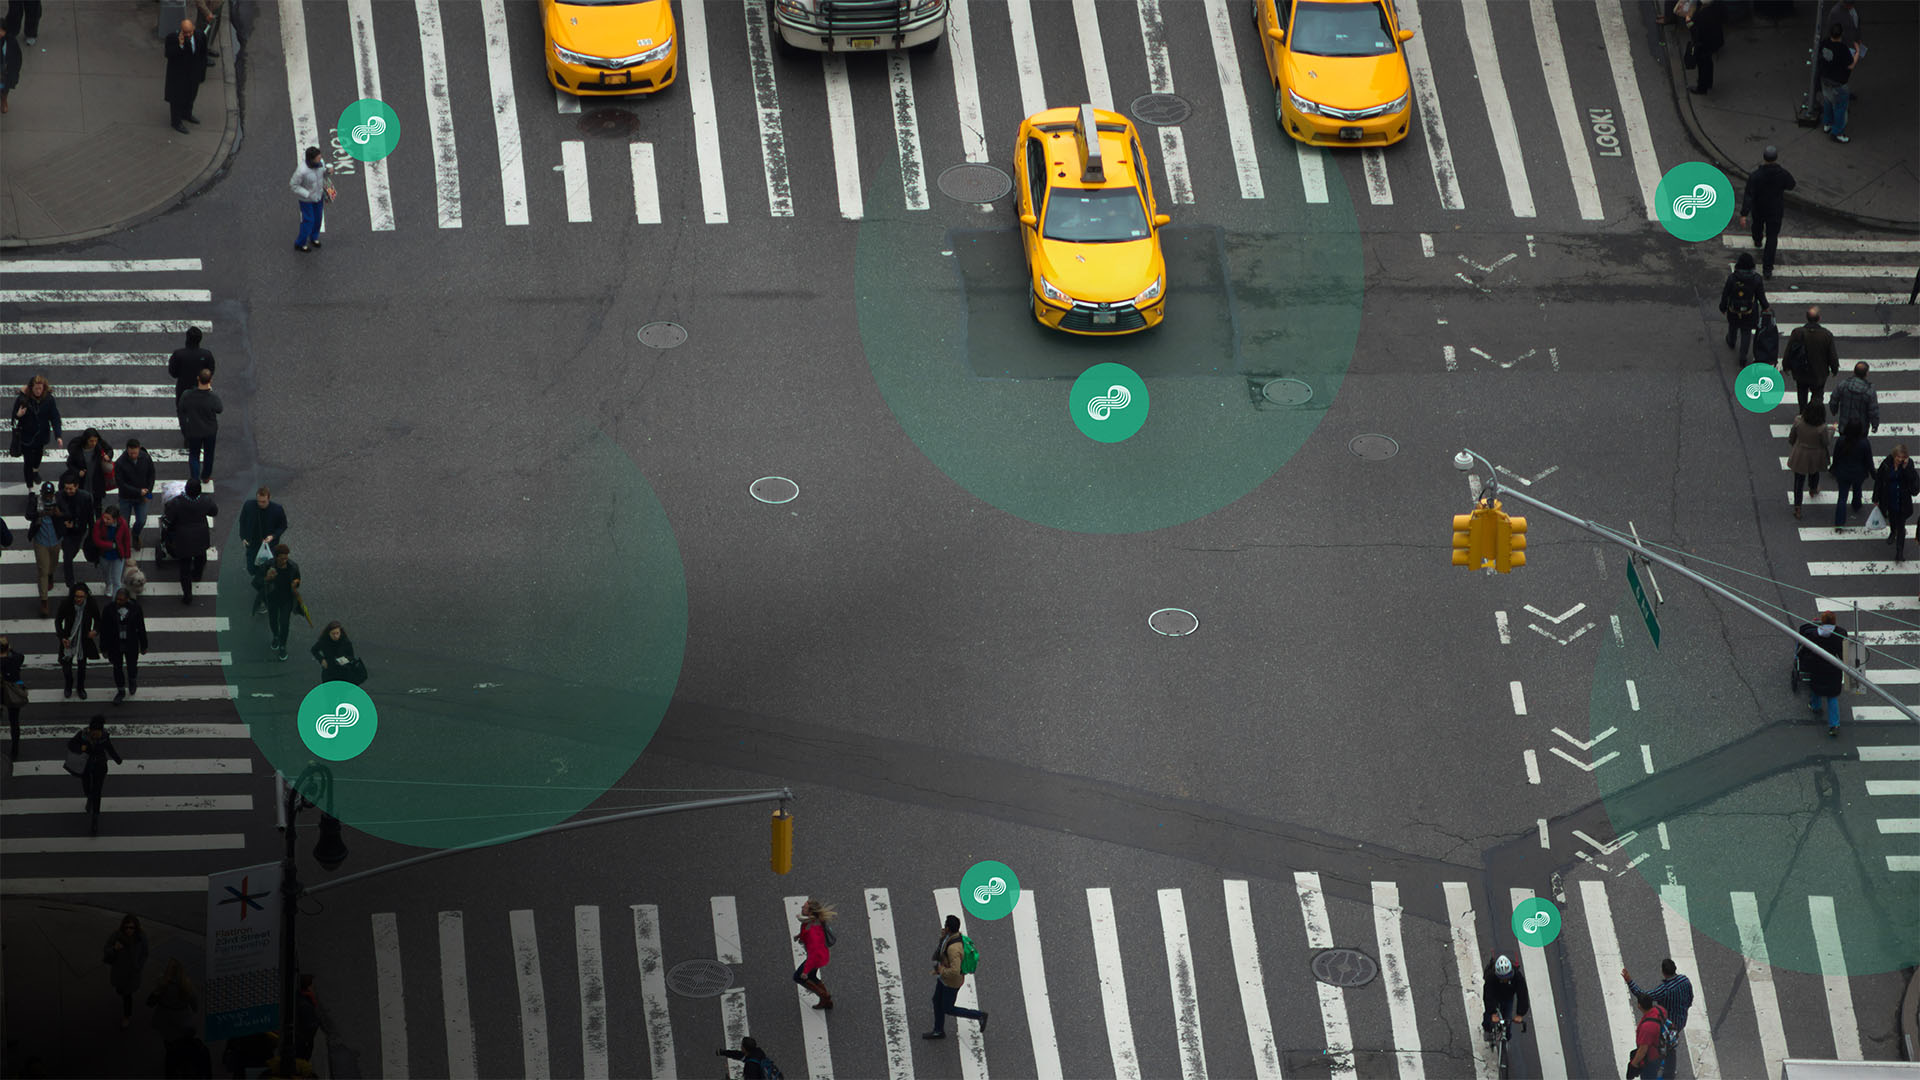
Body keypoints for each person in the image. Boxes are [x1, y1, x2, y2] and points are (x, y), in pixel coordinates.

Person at [1623, 960, 1693, 1080]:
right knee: (1670, 1046)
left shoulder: (1664, 991)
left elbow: (1642, 995)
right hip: (1680, 1021)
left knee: (1662, 1046)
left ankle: (1664, 1069)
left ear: (1663, 972)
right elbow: (1690, 998)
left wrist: (1629, 981)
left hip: (1666, 1024)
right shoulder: (1684, 980)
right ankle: (1670, 1071)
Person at [924, 914, 987, 1039]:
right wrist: (943, 937)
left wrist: (941, 970)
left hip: (951, 982)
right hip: (944, 979)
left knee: (948, 1008)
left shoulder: (954, 949)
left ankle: (979, 1015)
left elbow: (955, 971)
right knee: (937, 1001)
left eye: (945, 925)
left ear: (948, 928)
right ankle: (938, 1030)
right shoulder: (951, 937)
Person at [1739, 147, 1795, 279]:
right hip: (1775, 210)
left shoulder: (1756, 176)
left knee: (1757, 225)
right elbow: (1791, 185)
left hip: (1759, 208)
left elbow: (1749, 195)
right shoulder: (1782, 174)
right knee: (1772, 238)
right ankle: (1767, 269)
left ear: (1764, 158)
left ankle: (1757, 240)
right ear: (1776, 158)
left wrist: (1744, 214)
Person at [161, 479, 216, 603]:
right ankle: (197, 575)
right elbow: (214, 511)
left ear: (186, 489)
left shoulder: (177, 502)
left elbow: (168, 520)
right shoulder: (205, 500)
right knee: (201, 558)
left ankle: (187, 595)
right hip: (201, 536)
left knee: (185, 567)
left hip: (183, 539)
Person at [240, 487, 288, 615]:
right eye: (259, 501)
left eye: (263, 502)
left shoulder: (277, 509)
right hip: (253, 545)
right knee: (252, 569)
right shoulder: (249, 506)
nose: (260, 504)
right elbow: (242, 521)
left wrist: (273, 536)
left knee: (263, 572)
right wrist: (243, 537)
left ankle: (265, 597)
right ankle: (267, 587)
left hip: (269, 546)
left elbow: (283, 526)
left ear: (269, 498)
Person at [11, 374, 63, 486]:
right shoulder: (23, 399)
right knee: (28, 462)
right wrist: (18, 415)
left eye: (40, 388)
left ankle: (35, 470)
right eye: (36, 389)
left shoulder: (49, 399)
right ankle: (30, 486)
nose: (38, 391)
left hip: (41, 436)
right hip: (26, 437)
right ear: (31, 388)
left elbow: (55, 417)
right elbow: (13, 420)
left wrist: (58, 435)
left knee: (38, 457)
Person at [1785, 306, 1839, 413]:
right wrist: (1834, 368)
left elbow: (1789, 350)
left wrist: (1786, 366)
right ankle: (1815, 414)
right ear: (1819, 318)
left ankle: (1803, 413)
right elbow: (1832, 354)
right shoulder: (1826, 335)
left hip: (1801, 370)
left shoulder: (1797, 332)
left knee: (1802, 393)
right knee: (1817, 394)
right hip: (1819, 372)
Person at [1718, 253, 1769, 364]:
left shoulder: (1732, 278)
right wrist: (1766, 307)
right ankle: (1742, 357)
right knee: (1746, 332)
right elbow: (1761, 296)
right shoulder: (1756, 279)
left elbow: (1725, 294)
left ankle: (1731, 341)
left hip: (1733, 310)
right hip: (1750, 312)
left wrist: (1723, 307)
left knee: (1733, 326)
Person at [100, 587, 148, 704]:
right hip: (115, 644)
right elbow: (104, 630)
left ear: (127, 599)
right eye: (117, 599)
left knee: (132, 666)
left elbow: (141, 627)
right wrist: (104, 648)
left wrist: (144, 645)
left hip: (130, 643)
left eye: (121, 600)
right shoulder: (109, 609)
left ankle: (132, 680)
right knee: (117, 668)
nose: (118, 601)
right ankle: (121, 690)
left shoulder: (135, 608)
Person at [1872, 443, 1918, 564]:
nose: (1900, 459)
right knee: (1892, 519)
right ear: (1894, 455)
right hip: (1889, 499)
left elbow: (1914, 483)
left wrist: (1906, 468)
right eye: (1898, 456)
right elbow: (1879, 481)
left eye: (1902, 457)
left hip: (1903, 501)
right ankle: (1893, 532)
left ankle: (1899, 552)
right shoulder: (1887, 464)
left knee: (1901, 526)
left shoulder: (1908, 465)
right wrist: (1876, 498)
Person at [54, 583, 101, 699]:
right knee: (66, 666)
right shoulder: (66, 604)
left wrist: (95, 631)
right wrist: (62, 637)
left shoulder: (91, 604)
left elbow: (98, 620)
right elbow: (58, 621)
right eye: (76, 596)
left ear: (86, 596)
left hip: (83, 639)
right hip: (68, 639)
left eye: (81, 597)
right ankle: (68, 685)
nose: (78, 599)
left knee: (82, 667)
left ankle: (80, 688)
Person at [102, 913, 148, 1028]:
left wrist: (139, 966)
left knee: (127, 996)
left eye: (131, 927)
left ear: (136, 927)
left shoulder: (141, 938)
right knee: (120, 990)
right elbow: (106, 949)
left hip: (132, 973)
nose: (128, 930)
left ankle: (127, 1016)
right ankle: (122, 994)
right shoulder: (117, 935)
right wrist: (114, 948)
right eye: (126, 927)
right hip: (119, 971)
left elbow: (145, 953)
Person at [162, 19, 206, 134]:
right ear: (181, 30)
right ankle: (176, 122)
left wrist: (201, 73)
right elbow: (169, 54)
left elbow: (202, 54)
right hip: (178, 76)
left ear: (193, 29)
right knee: (177, 99)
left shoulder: (200, 36)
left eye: (190, 32)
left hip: (193, 73)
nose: (188, 35)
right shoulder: (172, 38)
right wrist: (180, 45)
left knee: (191, 95)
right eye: (185, 32)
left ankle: (187, 114)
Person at [177, 368, 221, 483]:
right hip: (209, 431)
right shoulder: (212, 397)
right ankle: (205, 476)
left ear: (198, 378)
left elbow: (181, 409)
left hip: (194, 430)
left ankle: (195, 479)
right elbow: (219, 409)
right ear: (210, 380)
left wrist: (184, 426)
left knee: (194, 454)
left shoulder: (187, 395)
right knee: (209, 454)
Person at [1787, 403, 1830, 519]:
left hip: (1800, 454)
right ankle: (1813, 488)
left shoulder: (1798, 421)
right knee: (1814, 472)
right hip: (1815, 455)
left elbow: (1792, 438)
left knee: (1798, 482)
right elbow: (1825, 442)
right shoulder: (1822, 428)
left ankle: (1797, 507)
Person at [52, 472, 94, 589]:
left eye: (70, 488)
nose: (68, 491)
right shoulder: (59, 496)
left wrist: (92, 532)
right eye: (66, 488)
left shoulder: (85, 497)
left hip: (78, 530)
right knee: (68, 556)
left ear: (77, 486)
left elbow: (89, 516)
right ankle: (70, 583)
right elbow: (55, 515)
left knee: (73, 551)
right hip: (64, 530)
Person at [290, 146, 335, 253]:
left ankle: (314, 237)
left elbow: (323, 175)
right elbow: (293, 185)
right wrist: (307, 194)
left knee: (318, 218)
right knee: (308, 221)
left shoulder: (320, 163)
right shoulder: (301, 171)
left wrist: (328, 172)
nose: (321, 159)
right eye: (318, 158)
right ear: (311, 159)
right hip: (306, 200)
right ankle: (300, 243)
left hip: (318, 196)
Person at [1817, 21, 1856, 143]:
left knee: (1828, 101)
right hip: (1838, 83)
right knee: (1840, 108)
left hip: (1825, 79)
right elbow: (1850, 65)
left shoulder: (1824, 43)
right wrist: (1857, 52)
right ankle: (1837, 133)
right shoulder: (1842, 49)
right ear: (1841, 34)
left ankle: (1827, 124)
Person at [793, 898, 835, 1010]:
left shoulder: (811, 928)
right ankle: (827, 1001)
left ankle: (824, 996)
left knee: (798, 977)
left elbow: (814, 953)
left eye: (805, 907)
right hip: (821, 954)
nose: (802, 908)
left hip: (816, 957)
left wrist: (805, 971)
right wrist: (799, 936)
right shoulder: (813, 921)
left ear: (810, 912)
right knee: (812, 977)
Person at [262, 544, 302, 660]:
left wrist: (295, 584)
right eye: (282, 558)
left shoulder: (293, 567)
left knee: (284, 623)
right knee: (273, 620)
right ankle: (275, 636)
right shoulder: (268, 565)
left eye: (286, 558)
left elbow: (298, 579)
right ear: (276, 557)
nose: (285, 561)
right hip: (272, 598)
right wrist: (267, 578)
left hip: (286, 600)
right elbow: (258, 581)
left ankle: (283, 645)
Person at [1831, 422, 1873, 528]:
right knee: (1857, 488)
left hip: (1843, 473)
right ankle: (1856, 504)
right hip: (1859, 473)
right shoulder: (1864, 443)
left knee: (1842, 497)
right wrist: (1873, 474)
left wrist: (1834, 469)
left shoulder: (1841, 441)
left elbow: (1836, 456)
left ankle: (1839, 523)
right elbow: (1869, 460)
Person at [26, 480, 59, 615]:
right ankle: (44, 600)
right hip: (41, 541)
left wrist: (58, 513)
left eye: (50, 494)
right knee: (43, 571)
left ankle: (51, 574)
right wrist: (40, 513)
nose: (48, 497)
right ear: (42, 493)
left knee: (53, 564)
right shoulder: (35, 501)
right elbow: (28, 515)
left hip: (56, 540)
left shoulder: (58, 501)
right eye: (46, 494)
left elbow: (67, 513)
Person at [90, 503, 133, 599]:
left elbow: (126, 540)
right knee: (106, 574)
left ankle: (116, 600)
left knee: (117, 580)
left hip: (118, 555)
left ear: (115, 519)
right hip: (104, 554)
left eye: (108, 519)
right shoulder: (99, 524)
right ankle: (108, 585)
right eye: (104, 517)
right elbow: (96, 540)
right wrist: (111, 545)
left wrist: (127, 556)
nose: (105, 520)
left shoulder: (123, 524)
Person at [293, 973, 337, 1062]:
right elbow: (310, 1025)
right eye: (313, 985)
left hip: (303, 1040)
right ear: (309, 987)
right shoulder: (305, 1003)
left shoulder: (304, 998)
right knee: (302, 1060)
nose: (315, 988)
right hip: (303, 1042)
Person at [1483, 953, 1530, 1034]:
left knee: (1507, 1025)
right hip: (1494, 995)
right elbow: (1488, 995)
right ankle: (1487, 1029)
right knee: (1488, 1020)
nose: (1505, 980)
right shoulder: (1491, 977)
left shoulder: (1518, 977)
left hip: (1508, 997)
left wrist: (1520, 1014)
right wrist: (1492, 1013)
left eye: (1507, 977)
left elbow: (1523, 995)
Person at [1627, 992, 1670, 1079]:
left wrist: (1633, 1064)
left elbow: (1643, 1050)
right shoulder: (1660, 1010)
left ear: (1639, 1006)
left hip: (1652, 1058)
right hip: (1662, 1049)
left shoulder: (1647, 1027)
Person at [1829, 361, 1880, 435]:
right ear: (1866, 374)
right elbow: (1873, 411)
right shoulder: (1869, 391)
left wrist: (1834, 410)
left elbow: (1834, 399)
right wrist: (1875, 425)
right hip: (1861, 429)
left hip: (1844, 425)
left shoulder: (1843, 385)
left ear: (1854, 371)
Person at [1683, 0, 1722, 94]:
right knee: (1708, 62)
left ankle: (1702, 88)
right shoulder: (1716, 6)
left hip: (1703, 44)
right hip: (1714, 40)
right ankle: (1709, 83)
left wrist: (1689, 23)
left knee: (1702, 66)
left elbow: (1697, 32)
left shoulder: (1702, 15)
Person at [167, 327, 214, 401]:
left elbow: (173, 373)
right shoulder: (207, 355)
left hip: (183, 390)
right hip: (201, 391)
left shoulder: (178, 354)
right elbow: (210, 371)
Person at [1, 636, 26, 762]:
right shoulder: (16, 659)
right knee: (14, 722)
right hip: (13, 692)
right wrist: (10, 650)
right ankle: (14, 750)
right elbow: (21, 656)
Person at [716, 1037, 783, 1079]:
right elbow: (739, 1055)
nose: (741, 1046)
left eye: (742, 1045)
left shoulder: (750, 1066)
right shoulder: (758, 1052)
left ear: (744, 1049)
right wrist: (724, 1052)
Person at [0, 22, 21, 114]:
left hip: (5, 72)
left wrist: (14, 72)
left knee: (4, 89)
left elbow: (17, 58)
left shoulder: (11, 42)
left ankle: (3, 100)